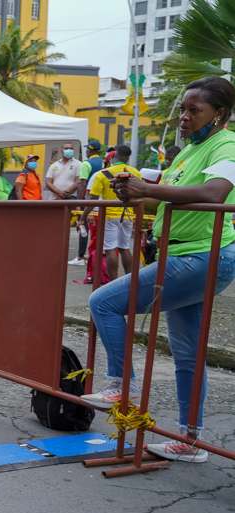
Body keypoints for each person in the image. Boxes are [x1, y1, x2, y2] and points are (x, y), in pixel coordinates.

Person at [84, 76, 235, 464]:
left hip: (201, 256)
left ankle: (124, 386)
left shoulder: (227, 145)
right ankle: (190, 440)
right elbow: (169, 204)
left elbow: (214, 193)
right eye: (182, 109)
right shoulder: (188, 152)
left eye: (194, 110)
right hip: (185, 254)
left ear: (219, 114)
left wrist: (147, 190)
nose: (184, 117)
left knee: (104, 302)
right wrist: (133, 193)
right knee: (187, 353)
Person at [79, 145, 142, 281]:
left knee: (110, 249)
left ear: (113, 156)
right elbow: (139, 196)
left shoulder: (102, 174)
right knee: (124, 248)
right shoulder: (135, 173)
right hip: (128, 215)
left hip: (109, 216)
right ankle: (130, 281)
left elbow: (93, 199)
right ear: (128, 158)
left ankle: (114, 283)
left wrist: (82, 218)